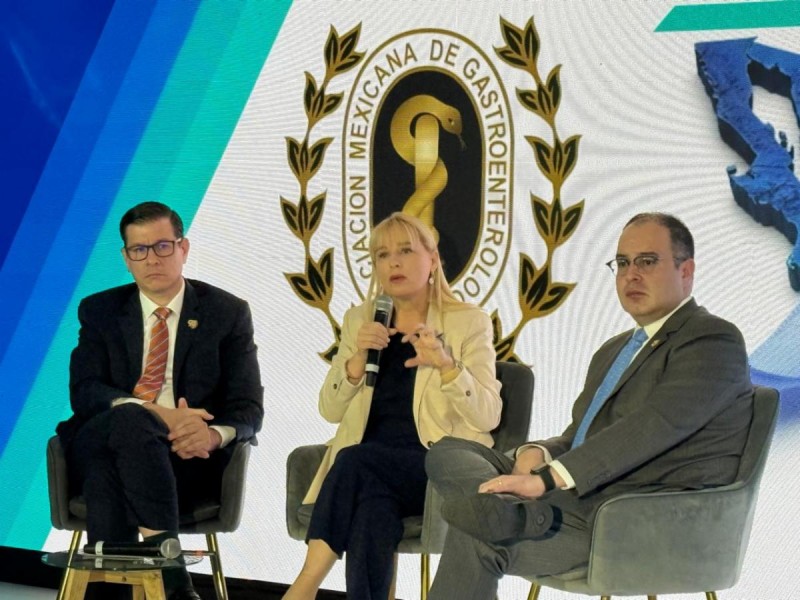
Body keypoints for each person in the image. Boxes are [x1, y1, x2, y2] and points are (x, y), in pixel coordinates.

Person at [424, 212, 754, 599]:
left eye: (647, 261)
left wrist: (545, 479)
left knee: (476, 530)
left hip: (632, 520)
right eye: (623, 263)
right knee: (448, 451)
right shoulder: (613, 350)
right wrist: (539, 453)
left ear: (686, 271)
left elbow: (651, 427)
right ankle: (509, 511)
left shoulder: (712, 340)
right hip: (572, 503)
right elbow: (579, 436)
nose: (631, 274)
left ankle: (513, 513)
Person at [283, 212, 502, 600]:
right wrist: (355, 362)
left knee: (355, 461)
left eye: (405, 251)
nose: (393, 263)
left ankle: (304, 586)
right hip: (371, 471)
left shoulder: (468, 322)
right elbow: (330, 410)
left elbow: (488, 416)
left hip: (435, 469)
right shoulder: (361, 320)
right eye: (382, 255)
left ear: (432, 260)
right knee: (371, 511)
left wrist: (447, 366)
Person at [56, 201, 264, 600]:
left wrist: (212, 436)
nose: (152, 259)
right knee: (131, 420)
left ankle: (116, 592)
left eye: (163, 246)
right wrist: (157, 414)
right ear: (126, 258)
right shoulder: (99, 310)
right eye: (139, 249)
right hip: (100, 437)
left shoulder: (226, 313)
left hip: (184, 459)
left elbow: (249, 408)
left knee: (107, 475)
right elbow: (85, 391)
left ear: (183, 248)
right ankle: (173, 580)